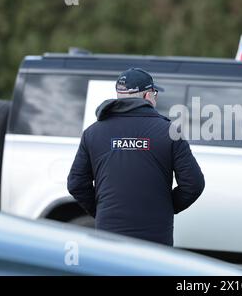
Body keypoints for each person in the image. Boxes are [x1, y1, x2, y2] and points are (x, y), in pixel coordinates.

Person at [67, 67, 205, 246]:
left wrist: (102, 210)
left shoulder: (93, 133)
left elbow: (76, 184)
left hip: (109, 237)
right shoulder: (170, 131)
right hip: (156, 239)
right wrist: (166, 207)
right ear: (148, 96)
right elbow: (194, 184)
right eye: (155, 93)